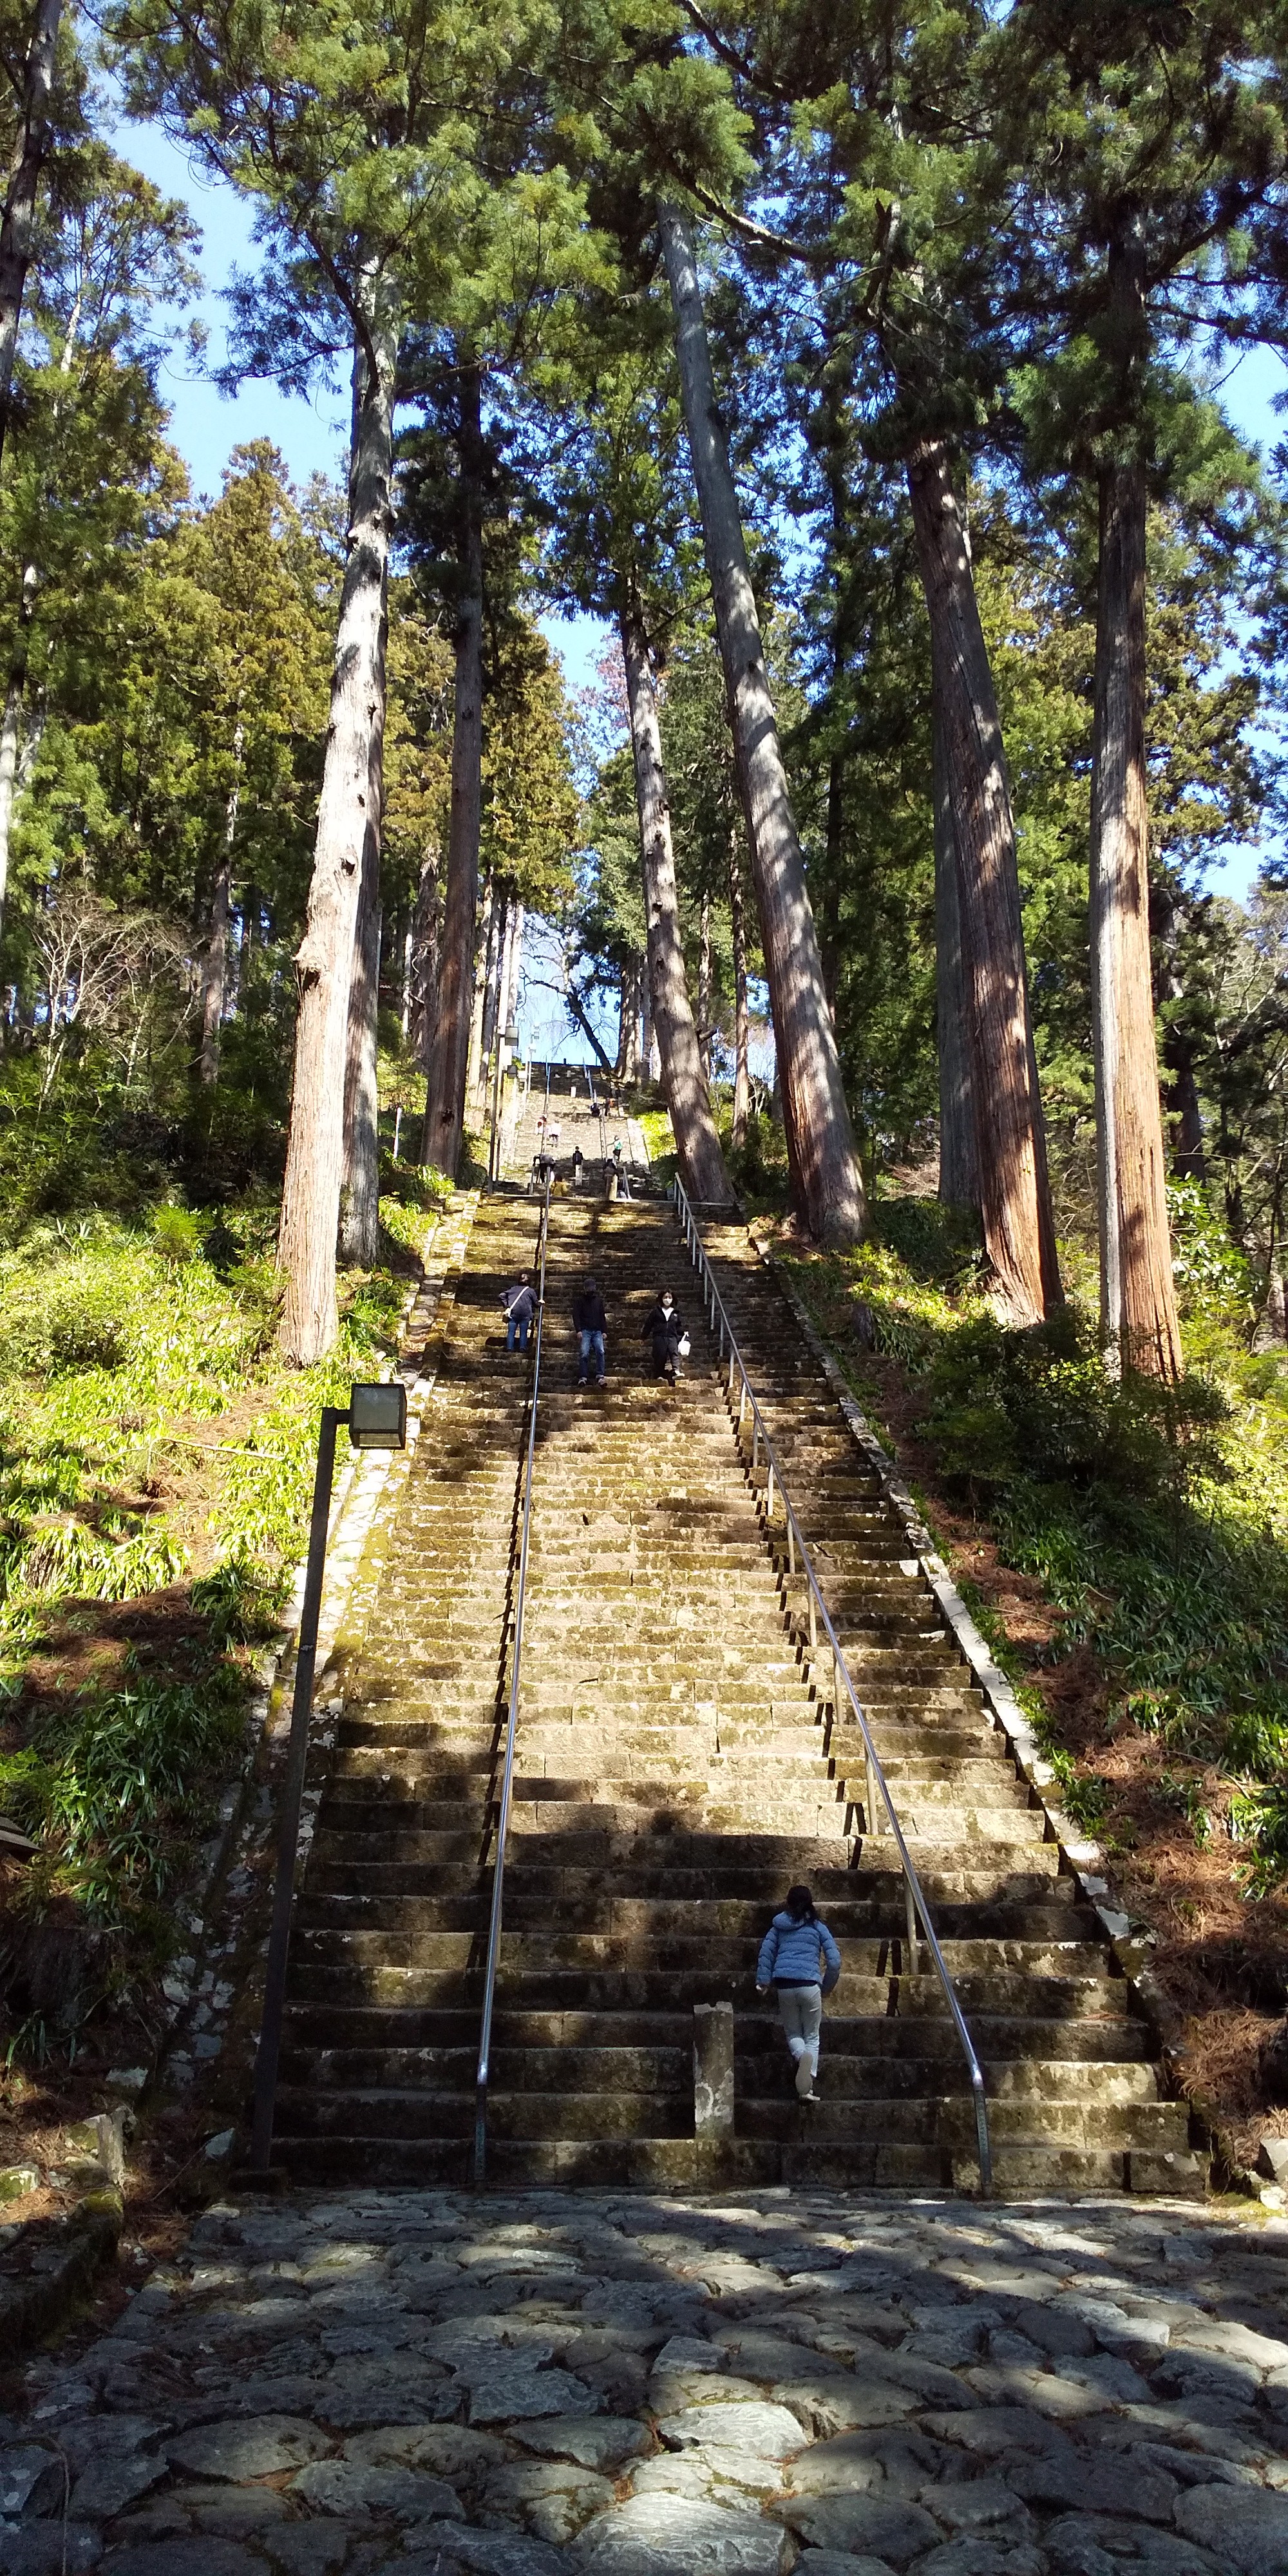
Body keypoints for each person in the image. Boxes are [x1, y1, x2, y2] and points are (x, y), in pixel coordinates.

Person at [756, 1885, 841, 2102]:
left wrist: (764, 1982)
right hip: (810, 1984)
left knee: (794, 2034)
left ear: (788, 1903)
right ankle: (807, 2087)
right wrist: (827, 1987)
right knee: (812, 2036)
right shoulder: (818, 1927)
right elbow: (834, 1962)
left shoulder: (778, 1927)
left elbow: (767, 1952)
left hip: (784, 1986)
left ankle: (801, 2057)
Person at [641, 1289, 686, 1384]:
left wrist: (684, 1336)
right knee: (660, 1355)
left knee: (674, 1353)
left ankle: (676, 1371)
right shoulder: (656, 1312)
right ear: (661, 1299)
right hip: (659, 1337)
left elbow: (679, 1327)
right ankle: (659, 1374)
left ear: (673, 1299)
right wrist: (644, 1336)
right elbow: (649, 1324)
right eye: (665, 1297)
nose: (667, 1299)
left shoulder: (676, 1313)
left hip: (672, 1337)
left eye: (670, 1297)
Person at [573, 1274, 607, 1385]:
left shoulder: (598, 1301)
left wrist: (604, 1330)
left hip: (597, 1330)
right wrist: (578, 1330)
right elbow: (576, 1315)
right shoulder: (580, 1301)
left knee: (600, 1352)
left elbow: (602, 1316)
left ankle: (600, 1375)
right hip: (586, 1330)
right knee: (584, 1353)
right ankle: (583, 1376)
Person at [502, 1271, 536, 1355]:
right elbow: (536, 1303)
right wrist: (540, 1303)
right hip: (525, 1314)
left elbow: (501, 1295)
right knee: (523, 1332)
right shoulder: (530, 1291)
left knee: (511, 1332)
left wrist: (507, 1305)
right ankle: (522, 1347)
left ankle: (510, 1347)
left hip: (513, 1313)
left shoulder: (513, 1289)